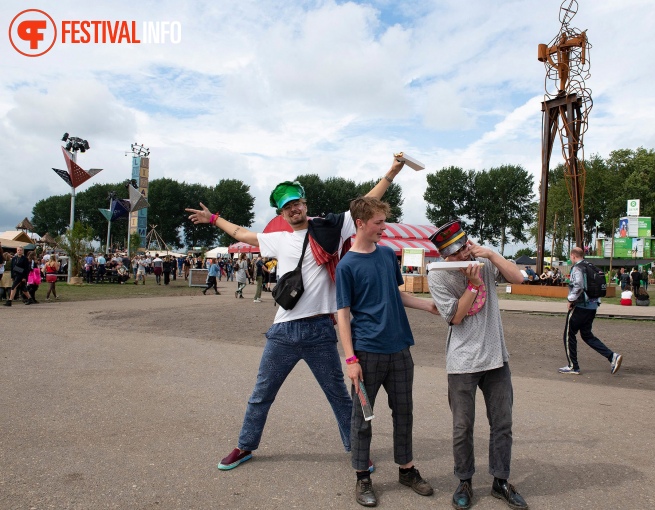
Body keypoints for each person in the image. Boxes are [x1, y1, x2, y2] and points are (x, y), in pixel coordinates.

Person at [186, 157, 406, 472]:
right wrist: (213, 218)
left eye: (297, 203)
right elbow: (240, 233)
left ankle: (356, 450)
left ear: (305, 204)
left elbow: (368, 202)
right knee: (261, 394)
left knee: (340, 398)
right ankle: (245, 446)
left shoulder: (330, 228)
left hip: (320, 332)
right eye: (286, 207)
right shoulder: (279, 239)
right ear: (281, 214)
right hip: (284, 332)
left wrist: (391, 173)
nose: (293, 209)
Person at [336, 197, 437, 507]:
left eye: (384, 221)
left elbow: (396, 294)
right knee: (362, 417)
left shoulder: (386, 255)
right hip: (367, 353)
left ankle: (406, 470)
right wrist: (350, 360)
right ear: (361, 224)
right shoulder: (347, 266)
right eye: (379, 222)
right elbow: (342, 313)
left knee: (404, 412)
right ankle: (362, 477)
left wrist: (428, 305)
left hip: (400, 348)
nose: (384, 227)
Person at [427, 220, 529, 510]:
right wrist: (472, 285)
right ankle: (464, 481)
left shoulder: (483, 262)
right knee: (462, 426)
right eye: (455, 253)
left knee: (502, 424)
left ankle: (500, 481)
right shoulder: (438, 276)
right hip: (462, 361)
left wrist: (492, 255)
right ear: (445, 256)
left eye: (464, 248)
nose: (463, 256)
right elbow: (455, 317)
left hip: (496, 357)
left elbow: (519, 279)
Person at [559, 247, 623, 375]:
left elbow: (578, 285)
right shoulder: (591, 266)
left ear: (573, 255)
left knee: (569, 334)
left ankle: (573, 366)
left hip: (581, 306)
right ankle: (612, 356)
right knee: (587, 335)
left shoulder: (578, 268)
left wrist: (571, 299)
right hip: (592, 306)